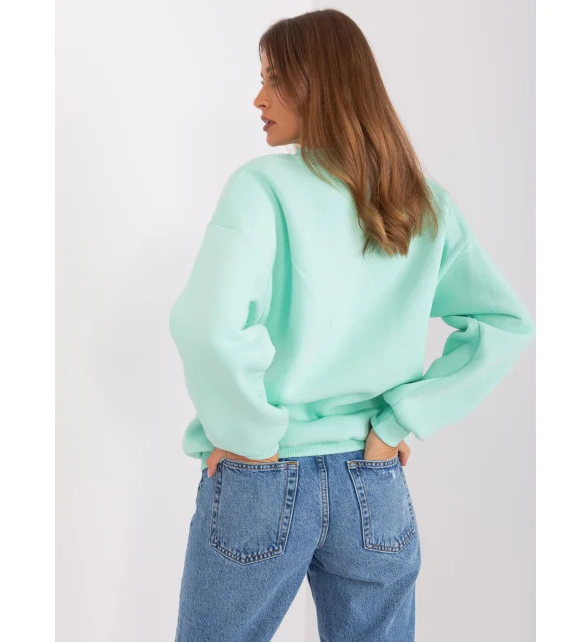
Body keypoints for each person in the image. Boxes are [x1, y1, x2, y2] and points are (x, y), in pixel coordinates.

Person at [168, 8, 535, 642]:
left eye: (274, 78)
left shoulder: (260, 188)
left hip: (265, 475)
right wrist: (396, 424)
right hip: (373, 481)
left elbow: (207, 325)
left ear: (320, 83)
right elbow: (502, 324)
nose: (258, 99)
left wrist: (248, 434)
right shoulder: (420, 200)